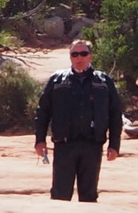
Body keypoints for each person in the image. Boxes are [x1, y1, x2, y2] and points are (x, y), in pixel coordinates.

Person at [34, 40, 123, 203]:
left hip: (92, 144)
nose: (79, 58)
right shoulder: (57, 80)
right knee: (60, 194)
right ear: (70, 57)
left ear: (90, 56)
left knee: (89, 195)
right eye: (75, 54)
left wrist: (114, 145)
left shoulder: (103, 81)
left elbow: (115, 114)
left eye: (83, 54)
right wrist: (40, 140)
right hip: (64, 144)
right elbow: (43, 111)